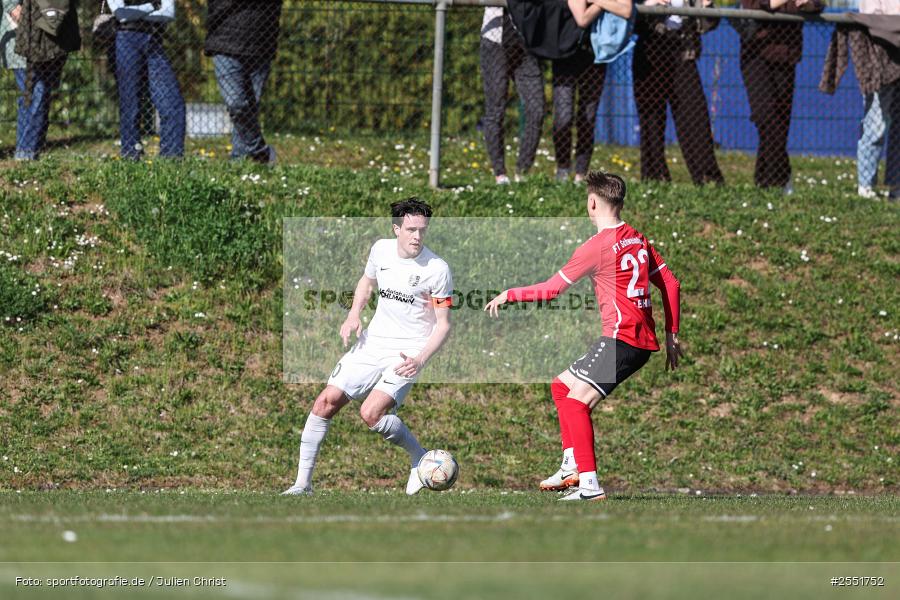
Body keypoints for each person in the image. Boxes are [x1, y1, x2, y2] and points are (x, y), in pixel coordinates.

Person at [484, 172, 682, 501]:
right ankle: (571, 465)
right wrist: (672, 334)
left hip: (623, 339)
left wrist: (510, 293)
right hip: (632, 339)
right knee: (562, 386)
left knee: (577, 403)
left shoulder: (596, 247)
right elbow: (671, 284)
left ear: (592, 203)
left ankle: (589, 486)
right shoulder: (637, 238)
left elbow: (551, 290)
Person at [283, 198, 454, 496]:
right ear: (396, 228)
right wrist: (353, 316)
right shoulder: (381, 249)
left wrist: (420, 359)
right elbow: (367, 282)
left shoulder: (437, 269)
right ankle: (302, 485)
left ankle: (417, 457)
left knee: (370, 413)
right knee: (325, 402)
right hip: (372, 343)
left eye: (422, 231)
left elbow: (443, 325)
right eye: (411, 229)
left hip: (407, 352)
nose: (417, 237)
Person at [633, 0, 724, 185]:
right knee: (651, 118)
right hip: (651, 51)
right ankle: (655, 178)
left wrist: (707, 7)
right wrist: (649, 4)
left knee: (694, 114)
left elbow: (710, 23)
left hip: (682, 52)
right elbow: (629, 16)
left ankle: (706, 177)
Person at [739, 0, 824, 193]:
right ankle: (782, 175)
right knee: (765, 116)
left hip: (787, 55)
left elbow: (817, 5)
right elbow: (757, 5)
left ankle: (764, 181)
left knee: (779, 120)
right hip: (756, 53)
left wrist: (807, 5)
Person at [552, 0, 632, 183]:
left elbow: (626, 9)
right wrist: (607, 3)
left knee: (588, 116)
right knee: (563, 116)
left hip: (596, 55)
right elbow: (582, 18)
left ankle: (581, 172)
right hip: (565, 54)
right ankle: (563, 168)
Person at [205, 0, 282, 164]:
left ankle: (239, 159)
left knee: (250, 108)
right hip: (225, 42)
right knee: (236, 103)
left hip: (262, 43)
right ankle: (260, 151)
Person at [108, 0, 185, 159]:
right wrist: (152, 7)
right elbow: (121, 13)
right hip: (126, 38)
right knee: (130, 102)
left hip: (154, 39)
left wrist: (137, 14)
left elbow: (169, 13)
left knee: (172, 102)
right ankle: (131, 153)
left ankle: (171, 158)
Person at [480, 6, 545, 185]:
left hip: (527, 44)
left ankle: (522, 171)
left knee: (536, 110)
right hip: (494, 42)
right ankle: (500, 174)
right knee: (496, 109)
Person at [13, 0, 81, 160]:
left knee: (41, 93)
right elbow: (13, 9)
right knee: (35, 93)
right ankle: (26, 152)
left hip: (53, 38)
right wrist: (13, 8)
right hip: (20, 34)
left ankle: (31, 151)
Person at [856, 0, 900, 200]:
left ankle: (896, 187)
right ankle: (866, 185)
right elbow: (873, 20)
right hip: (880, 59)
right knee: (876, 124)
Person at [2, 0, 27, 159]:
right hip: (17, 41)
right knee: (31, 94)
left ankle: (27, 150)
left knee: (34, 94)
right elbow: (13, 9)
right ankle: (25, 151)